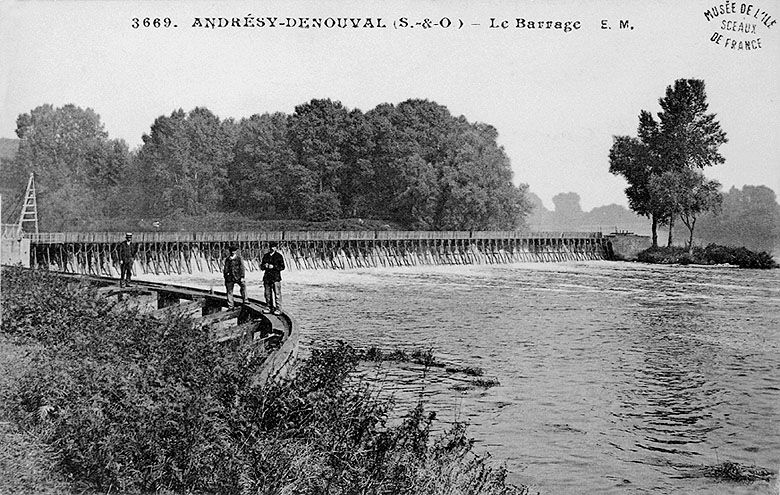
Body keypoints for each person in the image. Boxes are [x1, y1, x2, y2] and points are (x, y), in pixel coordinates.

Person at [260, 241, 285, 315]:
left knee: (277, 294)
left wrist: (274, 267)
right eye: (271, 247)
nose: (272, 248)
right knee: (267, 294)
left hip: (275, 278)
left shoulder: (279, 256)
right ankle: (269, 307)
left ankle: (278, 309)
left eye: (273, 247)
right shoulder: (266, 256)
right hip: (267, 278)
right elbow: (261, 267)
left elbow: (282, 267)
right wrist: (264, 266)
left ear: (276, 248)